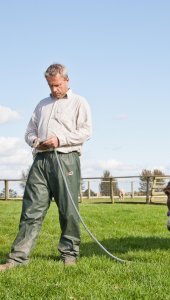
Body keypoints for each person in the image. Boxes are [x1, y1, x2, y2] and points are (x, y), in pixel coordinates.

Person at [0, 63, 92, 271]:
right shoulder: (42, 104)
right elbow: (29, 131)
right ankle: (17, 258)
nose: (54, 89)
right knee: (31, 210)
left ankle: (69, 254)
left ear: (66, 81)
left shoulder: (79, 102)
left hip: (66, 158)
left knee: (68, 210)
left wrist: (60, 139)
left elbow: (86, 131)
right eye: (50, 85)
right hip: (40, 161)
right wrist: (35, 142)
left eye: (57, 85)